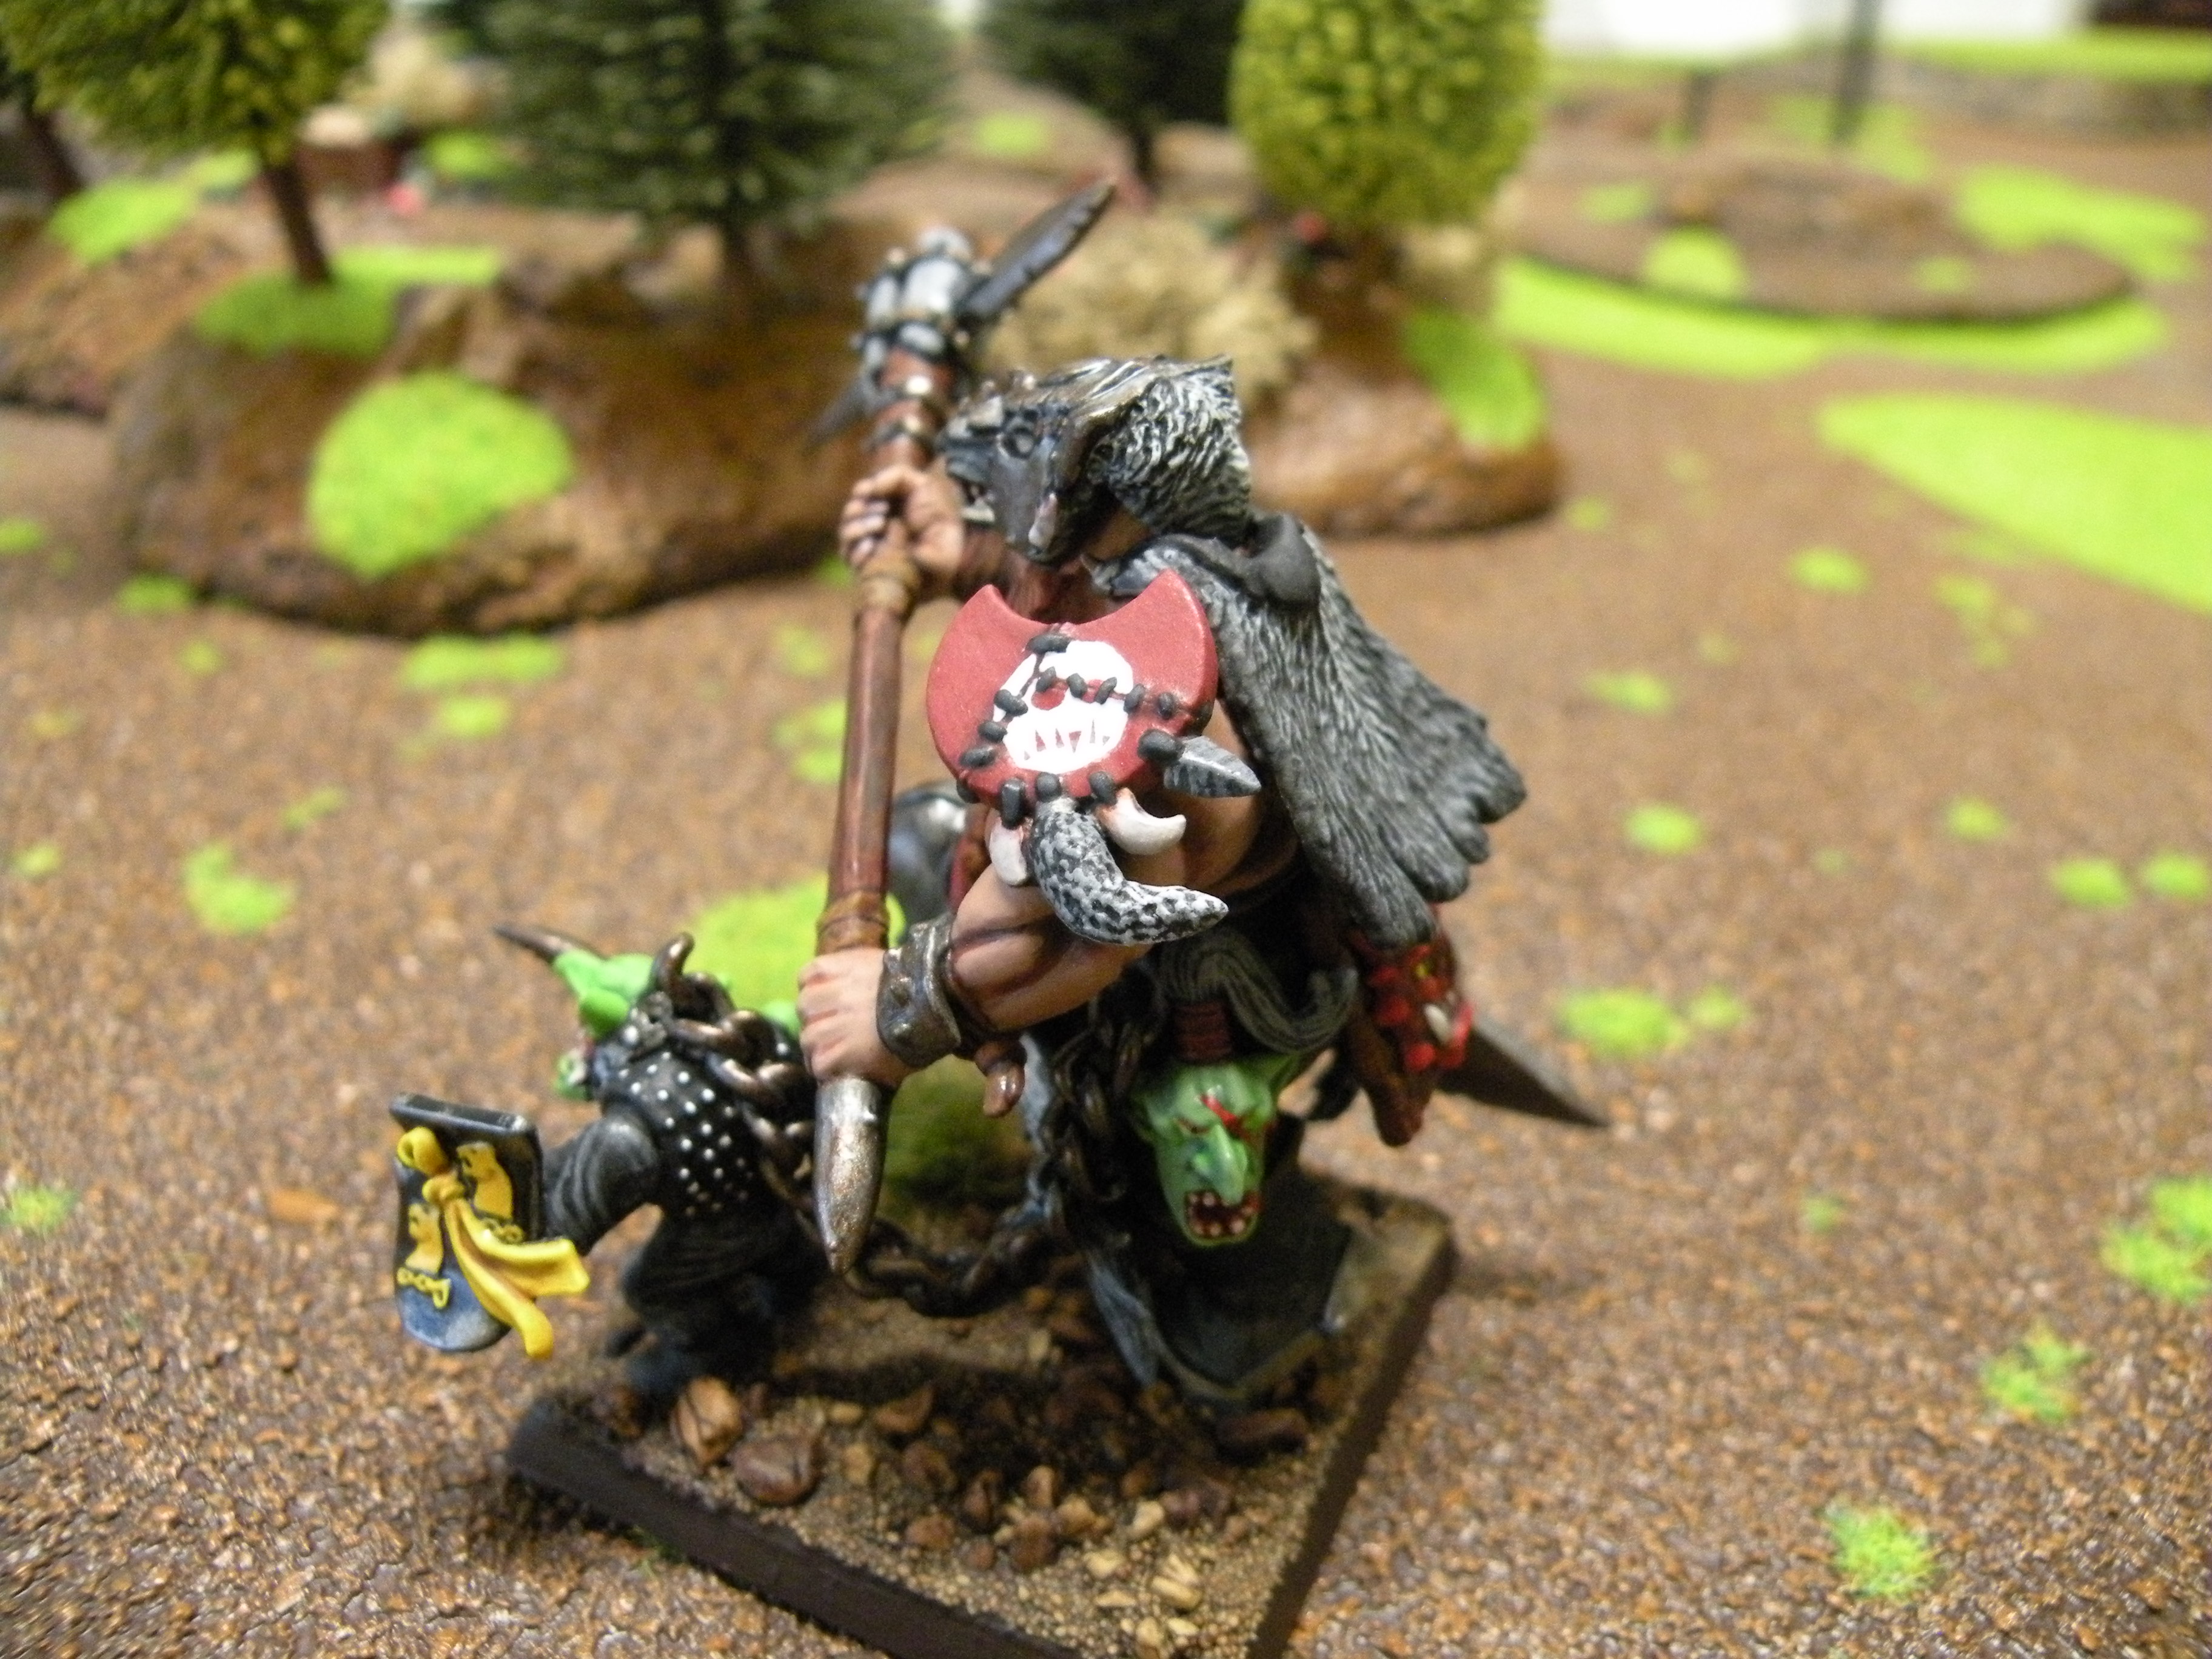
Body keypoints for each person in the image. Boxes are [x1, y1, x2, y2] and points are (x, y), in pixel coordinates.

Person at [796, 357, 1525, 1400]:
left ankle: (1253, 1308)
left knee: (1194, 1172)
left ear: (1088, 498)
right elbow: (1054, 596)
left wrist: (898, 1008)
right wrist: (957, 549)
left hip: (1198, 996)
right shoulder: (1208, 560)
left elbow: (1082, 918)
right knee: (927, 838)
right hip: (1209, 934)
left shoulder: (1176, 696)